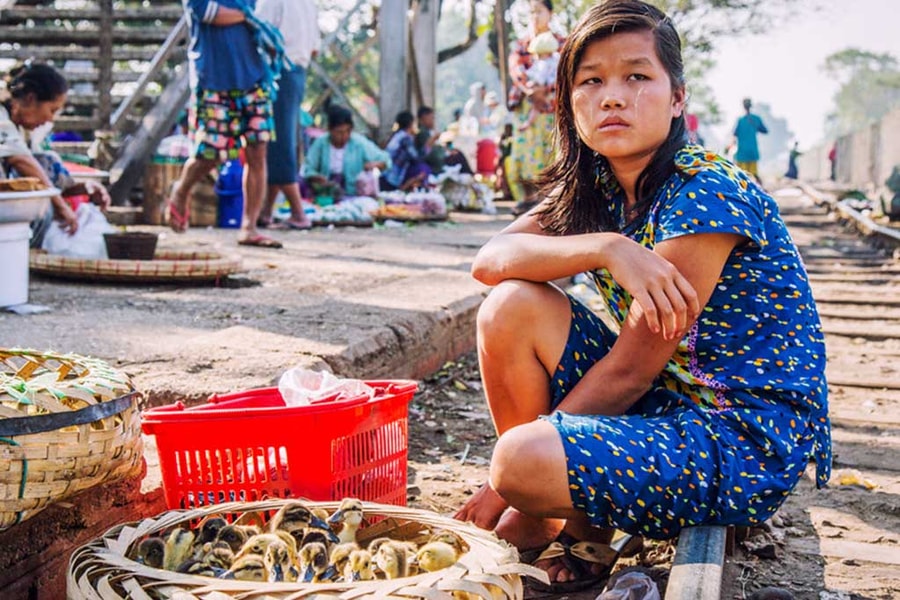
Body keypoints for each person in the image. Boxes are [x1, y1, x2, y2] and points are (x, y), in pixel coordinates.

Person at [453, 0, 830, 592]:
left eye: (637, 76)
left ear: (677, 98)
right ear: (569, 102)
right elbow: (491, 261)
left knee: (518, 461)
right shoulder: (599, 188)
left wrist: (507, 489)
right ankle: (582, 526)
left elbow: (629, 371)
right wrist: (607, 247)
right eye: (591, 81)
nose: (612, 97)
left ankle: (548, 505)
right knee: (511, 306)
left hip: (739, 437)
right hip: (673, 405)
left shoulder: (705, 191)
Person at [169, 0, 281, 248]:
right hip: (214, 79)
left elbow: (257, 16)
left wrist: (252, 21)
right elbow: (207, 12)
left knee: (258, 149)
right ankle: (181, 189)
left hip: (254, 77)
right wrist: (245, 16)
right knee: (212, 153)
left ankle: (249, 227)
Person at [1, 62, 110, 248]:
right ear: (30, 99)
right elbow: (22, 161)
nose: (51, 119)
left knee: (47, 161)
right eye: (51, 110)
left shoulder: (23, 130)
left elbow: (41, 173)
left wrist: (83, 188)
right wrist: (59, 205)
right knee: (44, 208)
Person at [255, 0, 320, 230]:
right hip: (298, 71)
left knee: (278, 141)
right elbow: (315, 47)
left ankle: (298, 212)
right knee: (281, 137)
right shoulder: (309, 4)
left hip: (278, 70)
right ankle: (265, 211)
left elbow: (261, 32)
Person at [506, 0, 566, 216]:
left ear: (550, 13)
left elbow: (566, 71)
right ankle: (527, 199)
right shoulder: (522, 45)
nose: (535, 16)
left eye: (539, 11)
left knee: (550, 151)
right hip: (527, 106)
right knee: (524, 151)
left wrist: (546, 90)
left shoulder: (561, 43)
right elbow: (516, 69)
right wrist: (531, 91)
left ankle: (548, 201)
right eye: (532, 12)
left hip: (552, 107)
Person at [301, 105, 389, 198]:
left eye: (347, 131)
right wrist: (315, 177)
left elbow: (385, 160)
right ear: (330, 130)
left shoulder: (359, 143)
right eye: (339, 132)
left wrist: (376, 164)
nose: (344, 135)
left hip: (354, 195)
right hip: (325, 194)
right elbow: (309, 168)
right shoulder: (321, 143)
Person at [518, 31, 560, 131]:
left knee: (535, 106)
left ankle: (529, 122)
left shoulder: (543, 63)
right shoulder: (556, 59)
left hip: (545, 89)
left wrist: (530, 82)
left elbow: (539, 78)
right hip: (554, 90)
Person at [381, 110, 429, 192]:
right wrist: (428, 145)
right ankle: (402, 190)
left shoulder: (397, 135)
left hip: (385, 175)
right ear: (411, 124)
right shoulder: (405, 138)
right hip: (392, 177)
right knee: (423, 169)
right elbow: (416, 158)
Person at [732, 97, 768, 182]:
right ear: (751, 106)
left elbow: (734, 134)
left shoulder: (740, 120)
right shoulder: (756, 119)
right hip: (752, 151)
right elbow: (765, 130)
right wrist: (755, 126)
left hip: (742, 152)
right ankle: (762, 189)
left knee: (741, 176)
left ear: (743, 107)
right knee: (754, 173)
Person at [414, 106, 446, 174]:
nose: (433, 121)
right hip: (432, 165)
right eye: (431, 118)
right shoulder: (422, 133)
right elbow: (428, 152)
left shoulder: (428, 131)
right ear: (422, 119)